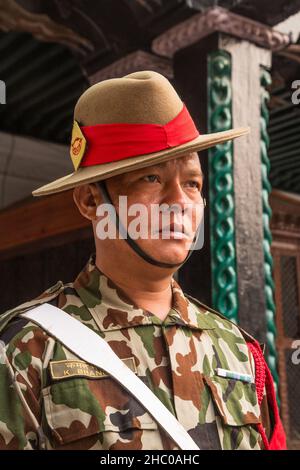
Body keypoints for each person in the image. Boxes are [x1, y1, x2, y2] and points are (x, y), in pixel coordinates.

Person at [0, 71, 286, 450]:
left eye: (192, 183)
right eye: (151, 178)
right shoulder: (26, 350)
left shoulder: (235, 349)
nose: (180, 203)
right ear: (90, 201)